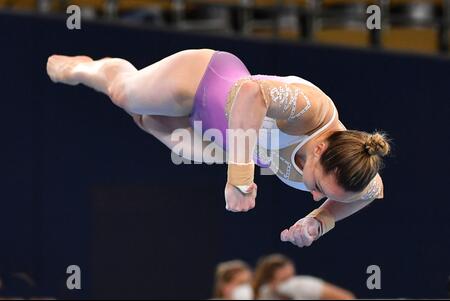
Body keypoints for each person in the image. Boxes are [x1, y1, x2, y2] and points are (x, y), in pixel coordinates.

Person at [46, 49, 391, 248]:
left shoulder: (359, 173)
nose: (313, 195)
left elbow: (370, 193)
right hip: (202, 81)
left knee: (143, 118)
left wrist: (319, 221)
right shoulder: (312, 111)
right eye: (316, 186)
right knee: (124, 93)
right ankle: (84, 67)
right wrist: (240, 178)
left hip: (217, 136)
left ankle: (125, 93)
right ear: (318, 150)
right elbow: (250, 93)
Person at [253, 254, 355, 300]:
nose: (289, 282)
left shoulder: (301, 285)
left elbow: (347, 297)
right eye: (285, 279)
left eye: (290, 278)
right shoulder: (264, 293)